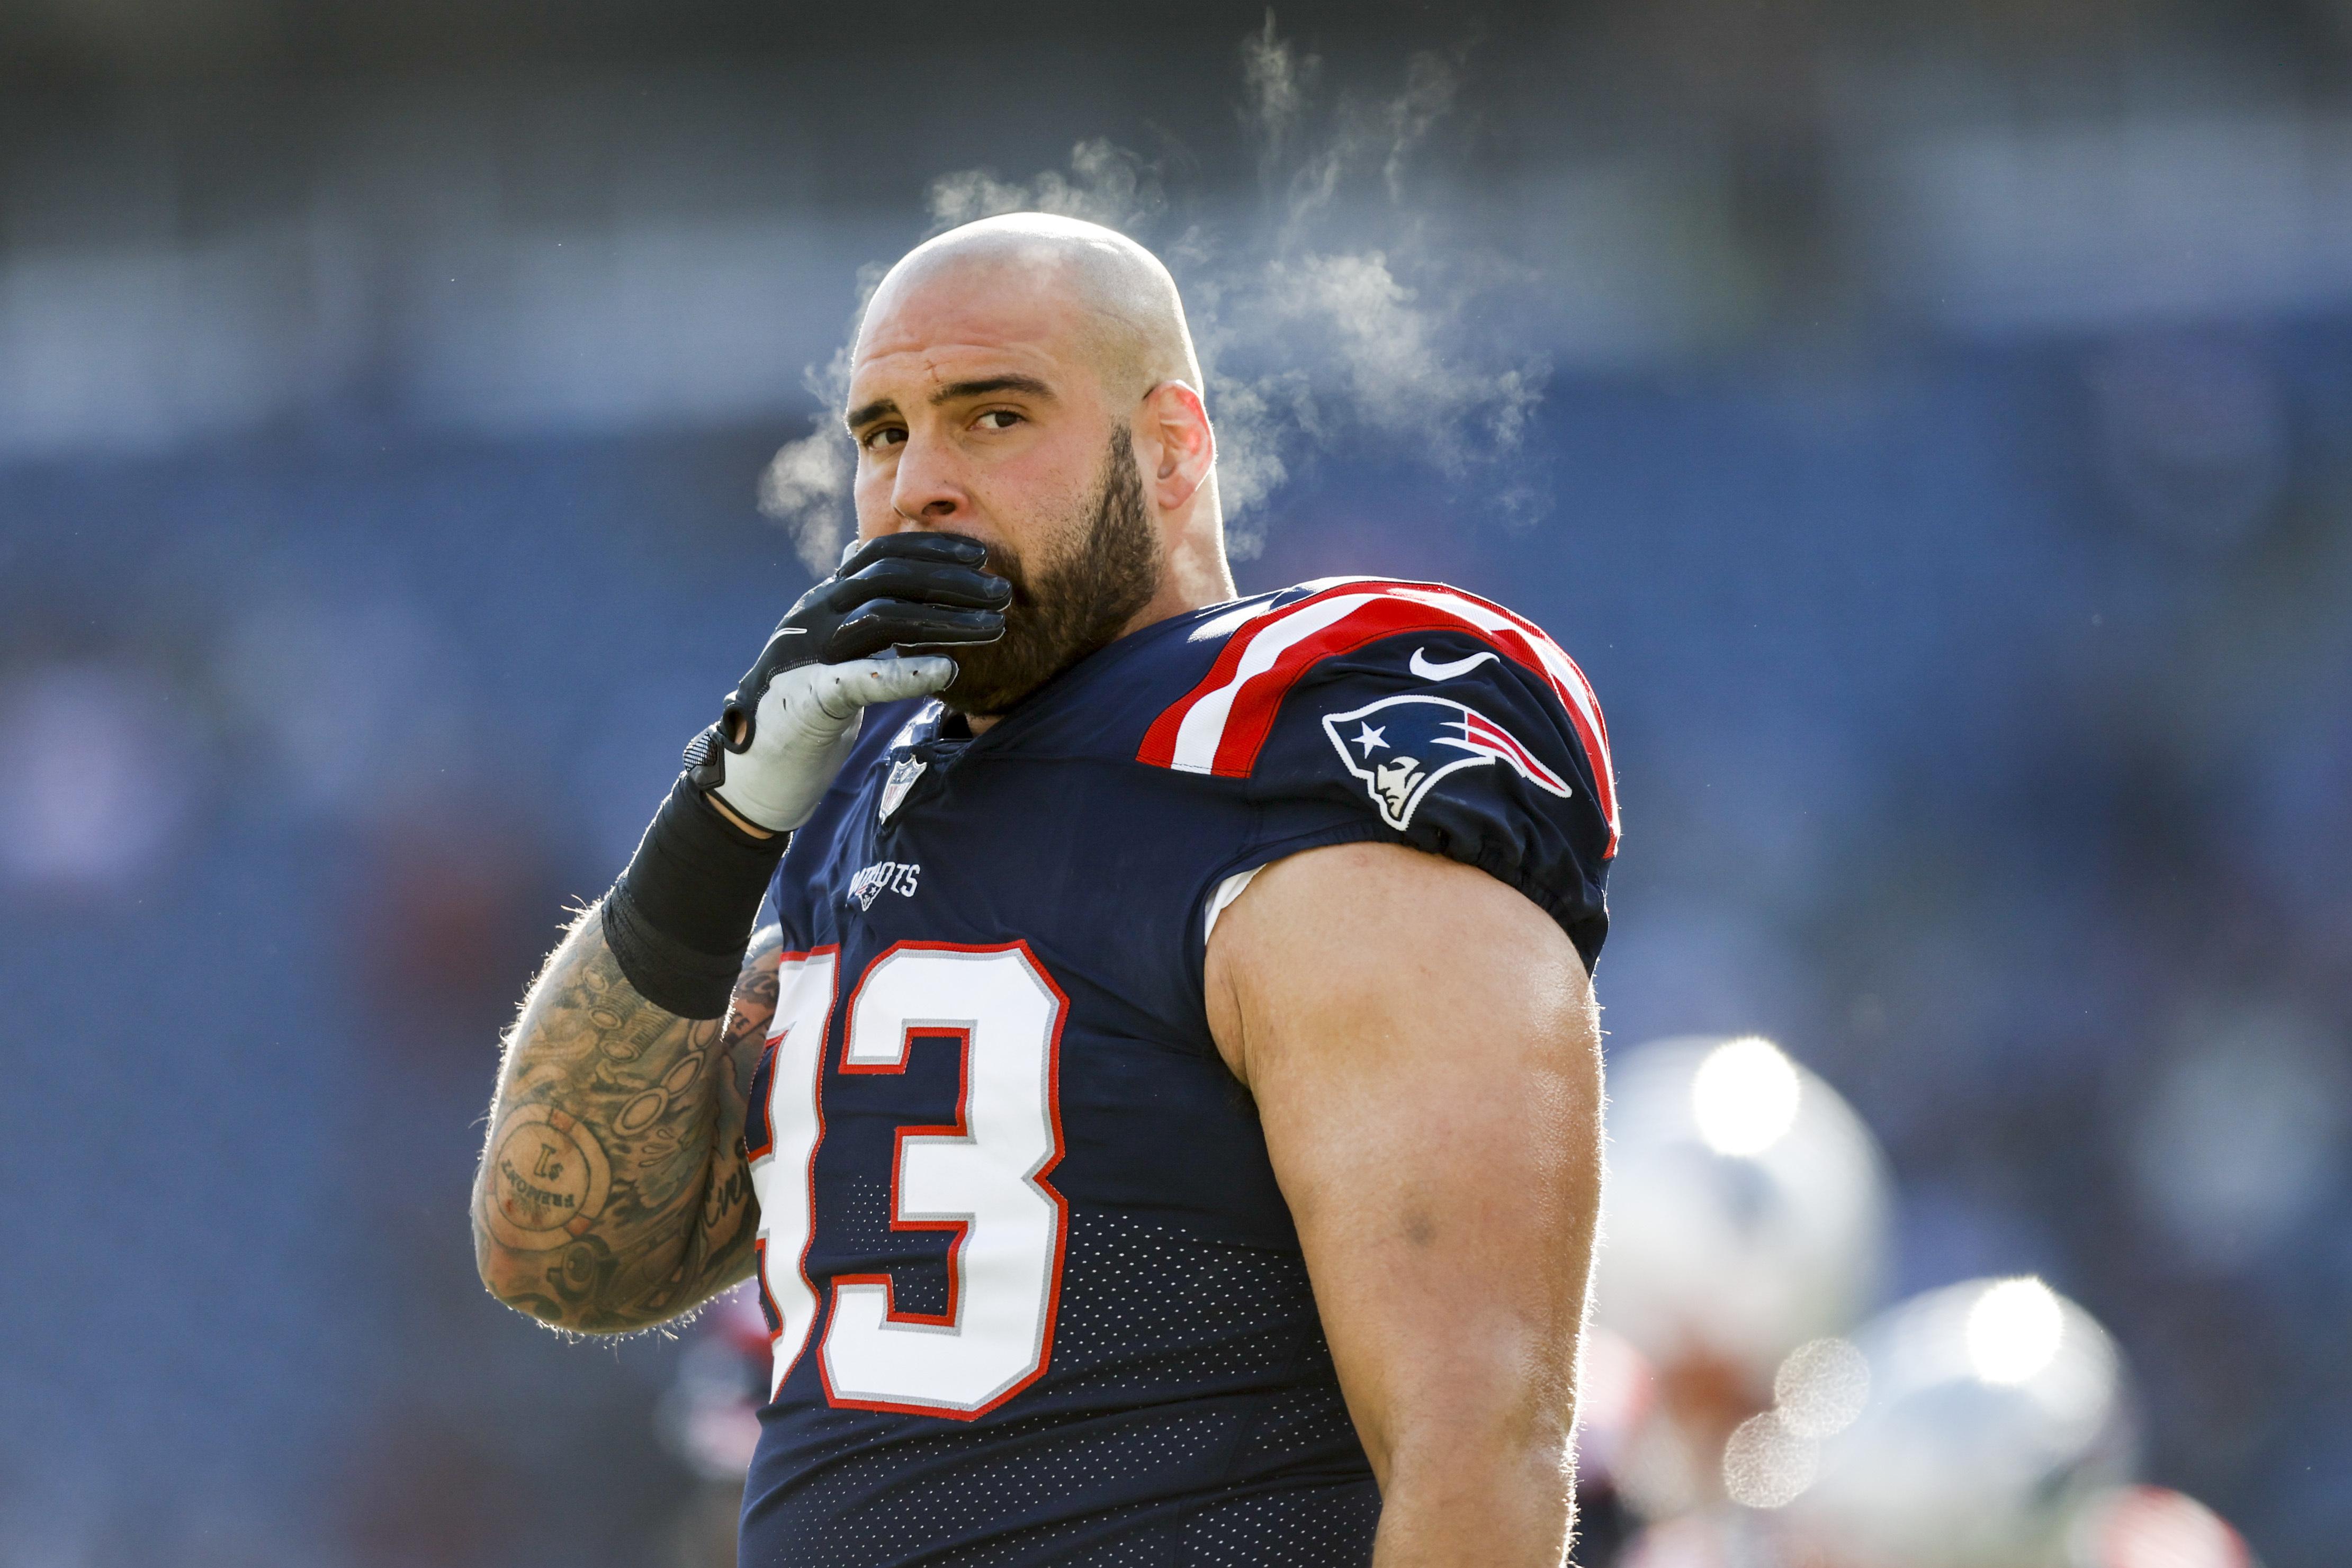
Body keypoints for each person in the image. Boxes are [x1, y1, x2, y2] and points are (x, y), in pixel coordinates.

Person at [472, 212, 1619, 1567]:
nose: (920, 487)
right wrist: (722, 810)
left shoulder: (1282, 759)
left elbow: (1477, 1451)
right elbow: (565, 1243)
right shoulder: (877, 797)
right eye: (884, 433)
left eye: (994, 416)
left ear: (1174, 446)